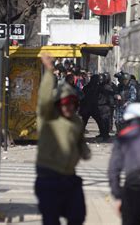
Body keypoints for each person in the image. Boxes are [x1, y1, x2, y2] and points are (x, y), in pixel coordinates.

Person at [35, 54, 91, 225]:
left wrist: (84, 151)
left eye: (72, 103)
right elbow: (44, 98)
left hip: (69, 176)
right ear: (58, 104)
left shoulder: (76, 121)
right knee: (51, 219)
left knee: (77, 216)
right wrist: (49, 71)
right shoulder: (48, 117)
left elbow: (80, 141)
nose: (69, 107)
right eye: (65, 103)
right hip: (48, 176)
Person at [80, 75, 110, 141]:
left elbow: (82, 95)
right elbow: (105, 92)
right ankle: (104, 134)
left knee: (85, 122)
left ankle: (79, 135)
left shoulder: (86, 87)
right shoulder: (97, 87)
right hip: (93, 107)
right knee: (99, 121)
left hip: (88, 106)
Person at [96, 74, 115, 141]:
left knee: (106, 121)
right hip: (100, 106)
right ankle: (103, 133)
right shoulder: (98, 87)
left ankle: (106, 135)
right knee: (101, 121)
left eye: (102, 79)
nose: (100, 81)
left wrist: (111, 104)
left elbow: (111, 96)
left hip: (106, 106)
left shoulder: (108, 87)